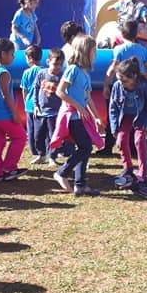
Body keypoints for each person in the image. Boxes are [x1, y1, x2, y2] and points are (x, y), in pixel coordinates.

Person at [53, 33, 105, 197]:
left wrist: (96, 117)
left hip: (81, 116)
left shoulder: (85, 74)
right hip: (72, 116)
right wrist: (77, 106)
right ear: (84, 52)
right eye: (93, 51)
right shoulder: (73, 70)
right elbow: (60, 91)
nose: (95, 55)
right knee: (85, 146)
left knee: (86, 147)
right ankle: (62, 173)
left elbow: (88, 97)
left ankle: (80, 185)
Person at [108, 58, 147, 186]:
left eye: (125, 81)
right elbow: (113, 108)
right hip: (125, 116)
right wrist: (114, 126)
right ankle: (128, 168)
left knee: (139, 140)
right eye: (119, 80)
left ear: (134, 76)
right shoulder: (117, 86)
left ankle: (143, 171)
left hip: (141, 116)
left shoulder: (145, 85)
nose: (122, 83)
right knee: (121, 140)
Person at [0, 37, 26, 181]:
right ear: (3, 54)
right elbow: (6, 95)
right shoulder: (3, 73)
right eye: (12, 54)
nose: (14, 57)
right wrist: (15, 113)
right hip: (3, 114)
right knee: (20, 137)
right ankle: (9, 168)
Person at [33, 47, 64, 164]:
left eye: (60, 64)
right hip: (41, 111)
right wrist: (36, 105)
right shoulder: (42, 74)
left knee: (53, 136)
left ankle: (52, 157)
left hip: (55, 112)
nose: (57, 67)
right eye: (55, 64)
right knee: (38, 135)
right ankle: (41, 155)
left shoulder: (61, 76)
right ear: (48, 62)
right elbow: (36, 89)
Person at [20, 45, 44, 163]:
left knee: (31, 130)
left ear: (30, 58)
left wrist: (25, 102)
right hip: (41, 105)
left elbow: (24, 90)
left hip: (29, 105)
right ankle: (42, 151)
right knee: (41, 130)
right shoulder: (44, 72)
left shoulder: (26, 72)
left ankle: (35, 151)